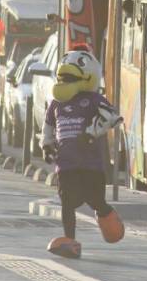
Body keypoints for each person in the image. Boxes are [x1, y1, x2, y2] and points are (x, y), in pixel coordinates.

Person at [42, 47, 124, 259]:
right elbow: (48, 126)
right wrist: (46, 145)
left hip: (91, 165)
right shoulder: (56, 103)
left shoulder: (93, 99)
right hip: (66, 164)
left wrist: (92, 131)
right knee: (67, 203)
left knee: (95, 199)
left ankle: (110, 221)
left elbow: (112, 116)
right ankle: (70, 240)